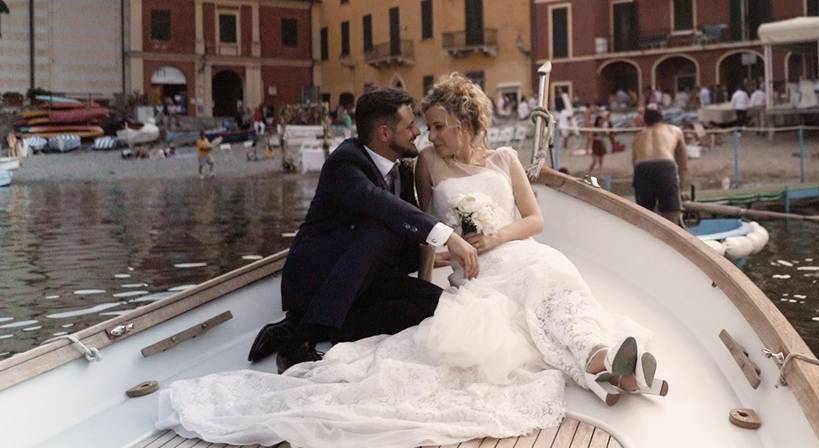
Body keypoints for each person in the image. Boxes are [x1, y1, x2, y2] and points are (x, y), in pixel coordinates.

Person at [158, 76, 667, 448]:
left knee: (539, 284)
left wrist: (477, 246)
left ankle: (601, 362)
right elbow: (404, 218)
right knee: (480, 299)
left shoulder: (489, 160)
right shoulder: (361, 164)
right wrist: (447, 252)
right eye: (416, 126)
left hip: (496, 255)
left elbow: (527, 220)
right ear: (386, 133)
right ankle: (305, 330)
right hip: (343, 285)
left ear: (465, 122)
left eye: (435, 126)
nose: (425, 135)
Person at [243, 87, 479, 372]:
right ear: (384, 134)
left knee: (437, 305)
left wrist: (430, 263)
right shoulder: (345, 163)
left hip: (373, 281)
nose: (418, 132)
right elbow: (384, 206)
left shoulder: (401, 169)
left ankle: (328, 328)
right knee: (384, 225)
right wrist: (448, 237)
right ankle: (298, 338)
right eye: (409, 126)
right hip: (322, 281)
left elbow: (410, 226)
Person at [631, 107, 688, 225]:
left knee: (644, 214)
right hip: (665, 165)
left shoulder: (638, 136)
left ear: (645, 121)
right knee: (671, 213)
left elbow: (634, 163)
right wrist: (682, 188)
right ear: (662, 118)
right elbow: (683, 163)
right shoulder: (675, 130)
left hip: (642, 168)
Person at [586, 110, 611, 176]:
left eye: (602, 120)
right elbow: (589, 137)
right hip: (596, 145)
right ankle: (588, 172)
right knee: (595, 161)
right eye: (600, 120)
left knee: (601, 161)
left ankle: (601, 174)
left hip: (602, 145)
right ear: (597, 121)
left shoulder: (603, 128)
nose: (601, 121)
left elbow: (607, 135)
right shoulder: (594, 128)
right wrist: (596, 139)